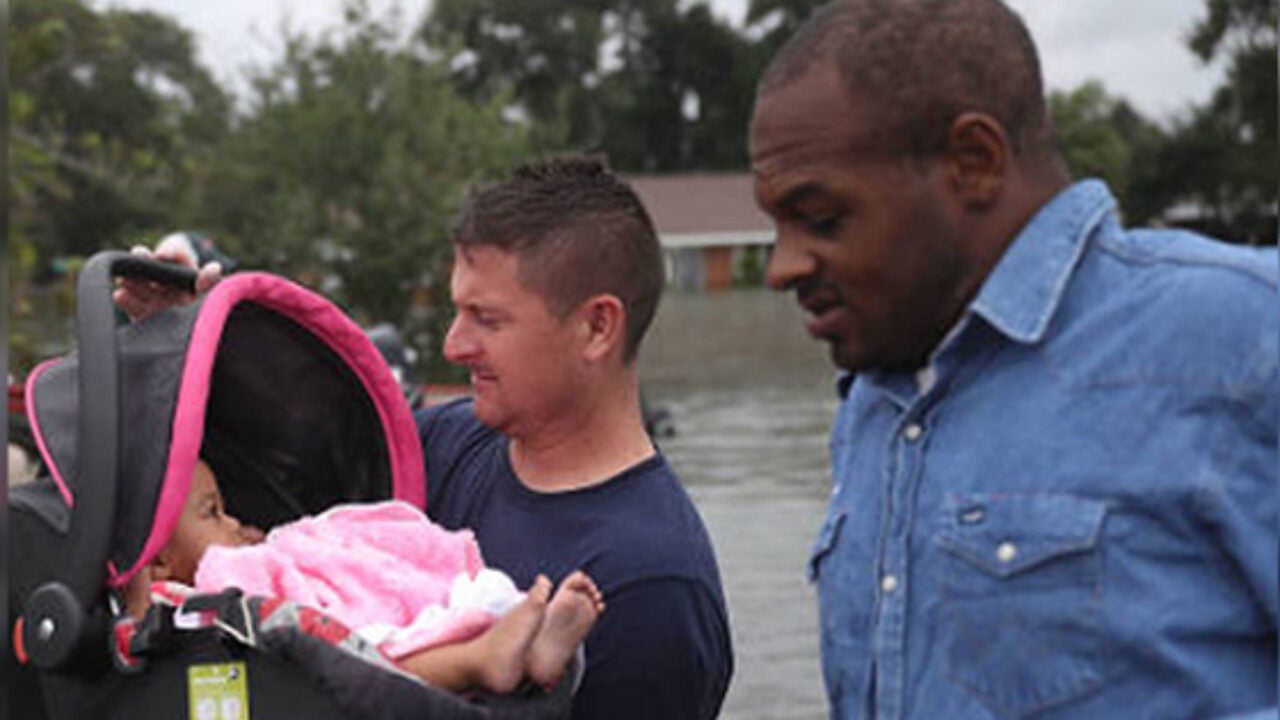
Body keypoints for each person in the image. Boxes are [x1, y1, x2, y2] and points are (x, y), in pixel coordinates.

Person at [749, 1, 1277, 719]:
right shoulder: (875, 392)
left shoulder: (1241, 340)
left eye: (821, 219)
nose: (781, 267)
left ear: (974, 163)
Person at [115, 156, 734, 720]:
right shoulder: (442, 442)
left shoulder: (654, 587)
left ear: (597, 327)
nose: (452, 346)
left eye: (487, 320)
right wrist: (181, 355)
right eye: (456, 311)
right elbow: (249, 519)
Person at [124, 458, 603, 695]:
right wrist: (136, 577)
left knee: (393, 622)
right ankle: (478, 661)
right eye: (212, 513)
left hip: (323, 628)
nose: (232, 524)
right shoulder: (169, 605)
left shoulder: (238, 566)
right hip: (319, 669)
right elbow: (133, 630)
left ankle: (523, 645)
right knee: (372, 656)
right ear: (158, 560)